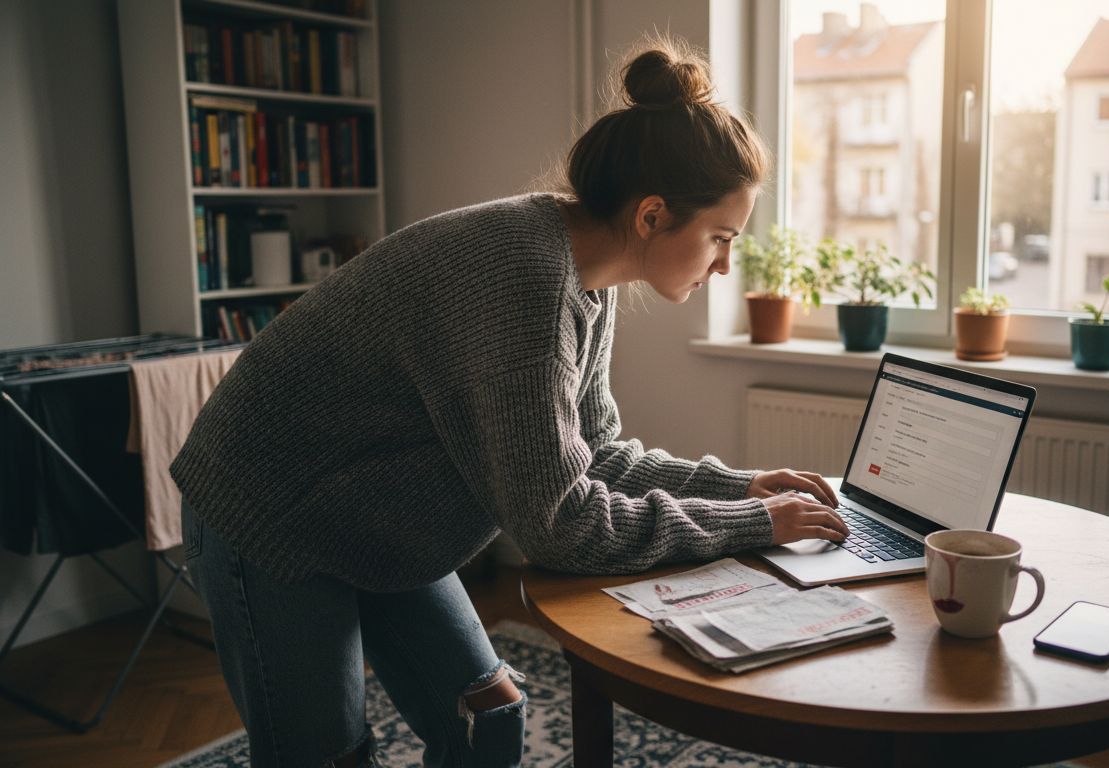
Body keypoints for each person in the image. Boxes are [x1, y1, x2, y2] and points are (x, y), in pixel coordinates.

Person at [172, 38, 849, 768]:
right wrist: (750, 523)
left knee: (489, 712)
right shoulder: (524, 279)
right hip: (270, 512)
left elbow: (598, 453)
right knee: (327, 757)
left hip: (370, 515)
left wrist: (740, 486)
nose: (724, 264)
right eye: (721, 238)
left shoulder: (591, 277)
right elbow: (562, 525)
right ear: (653, 215)